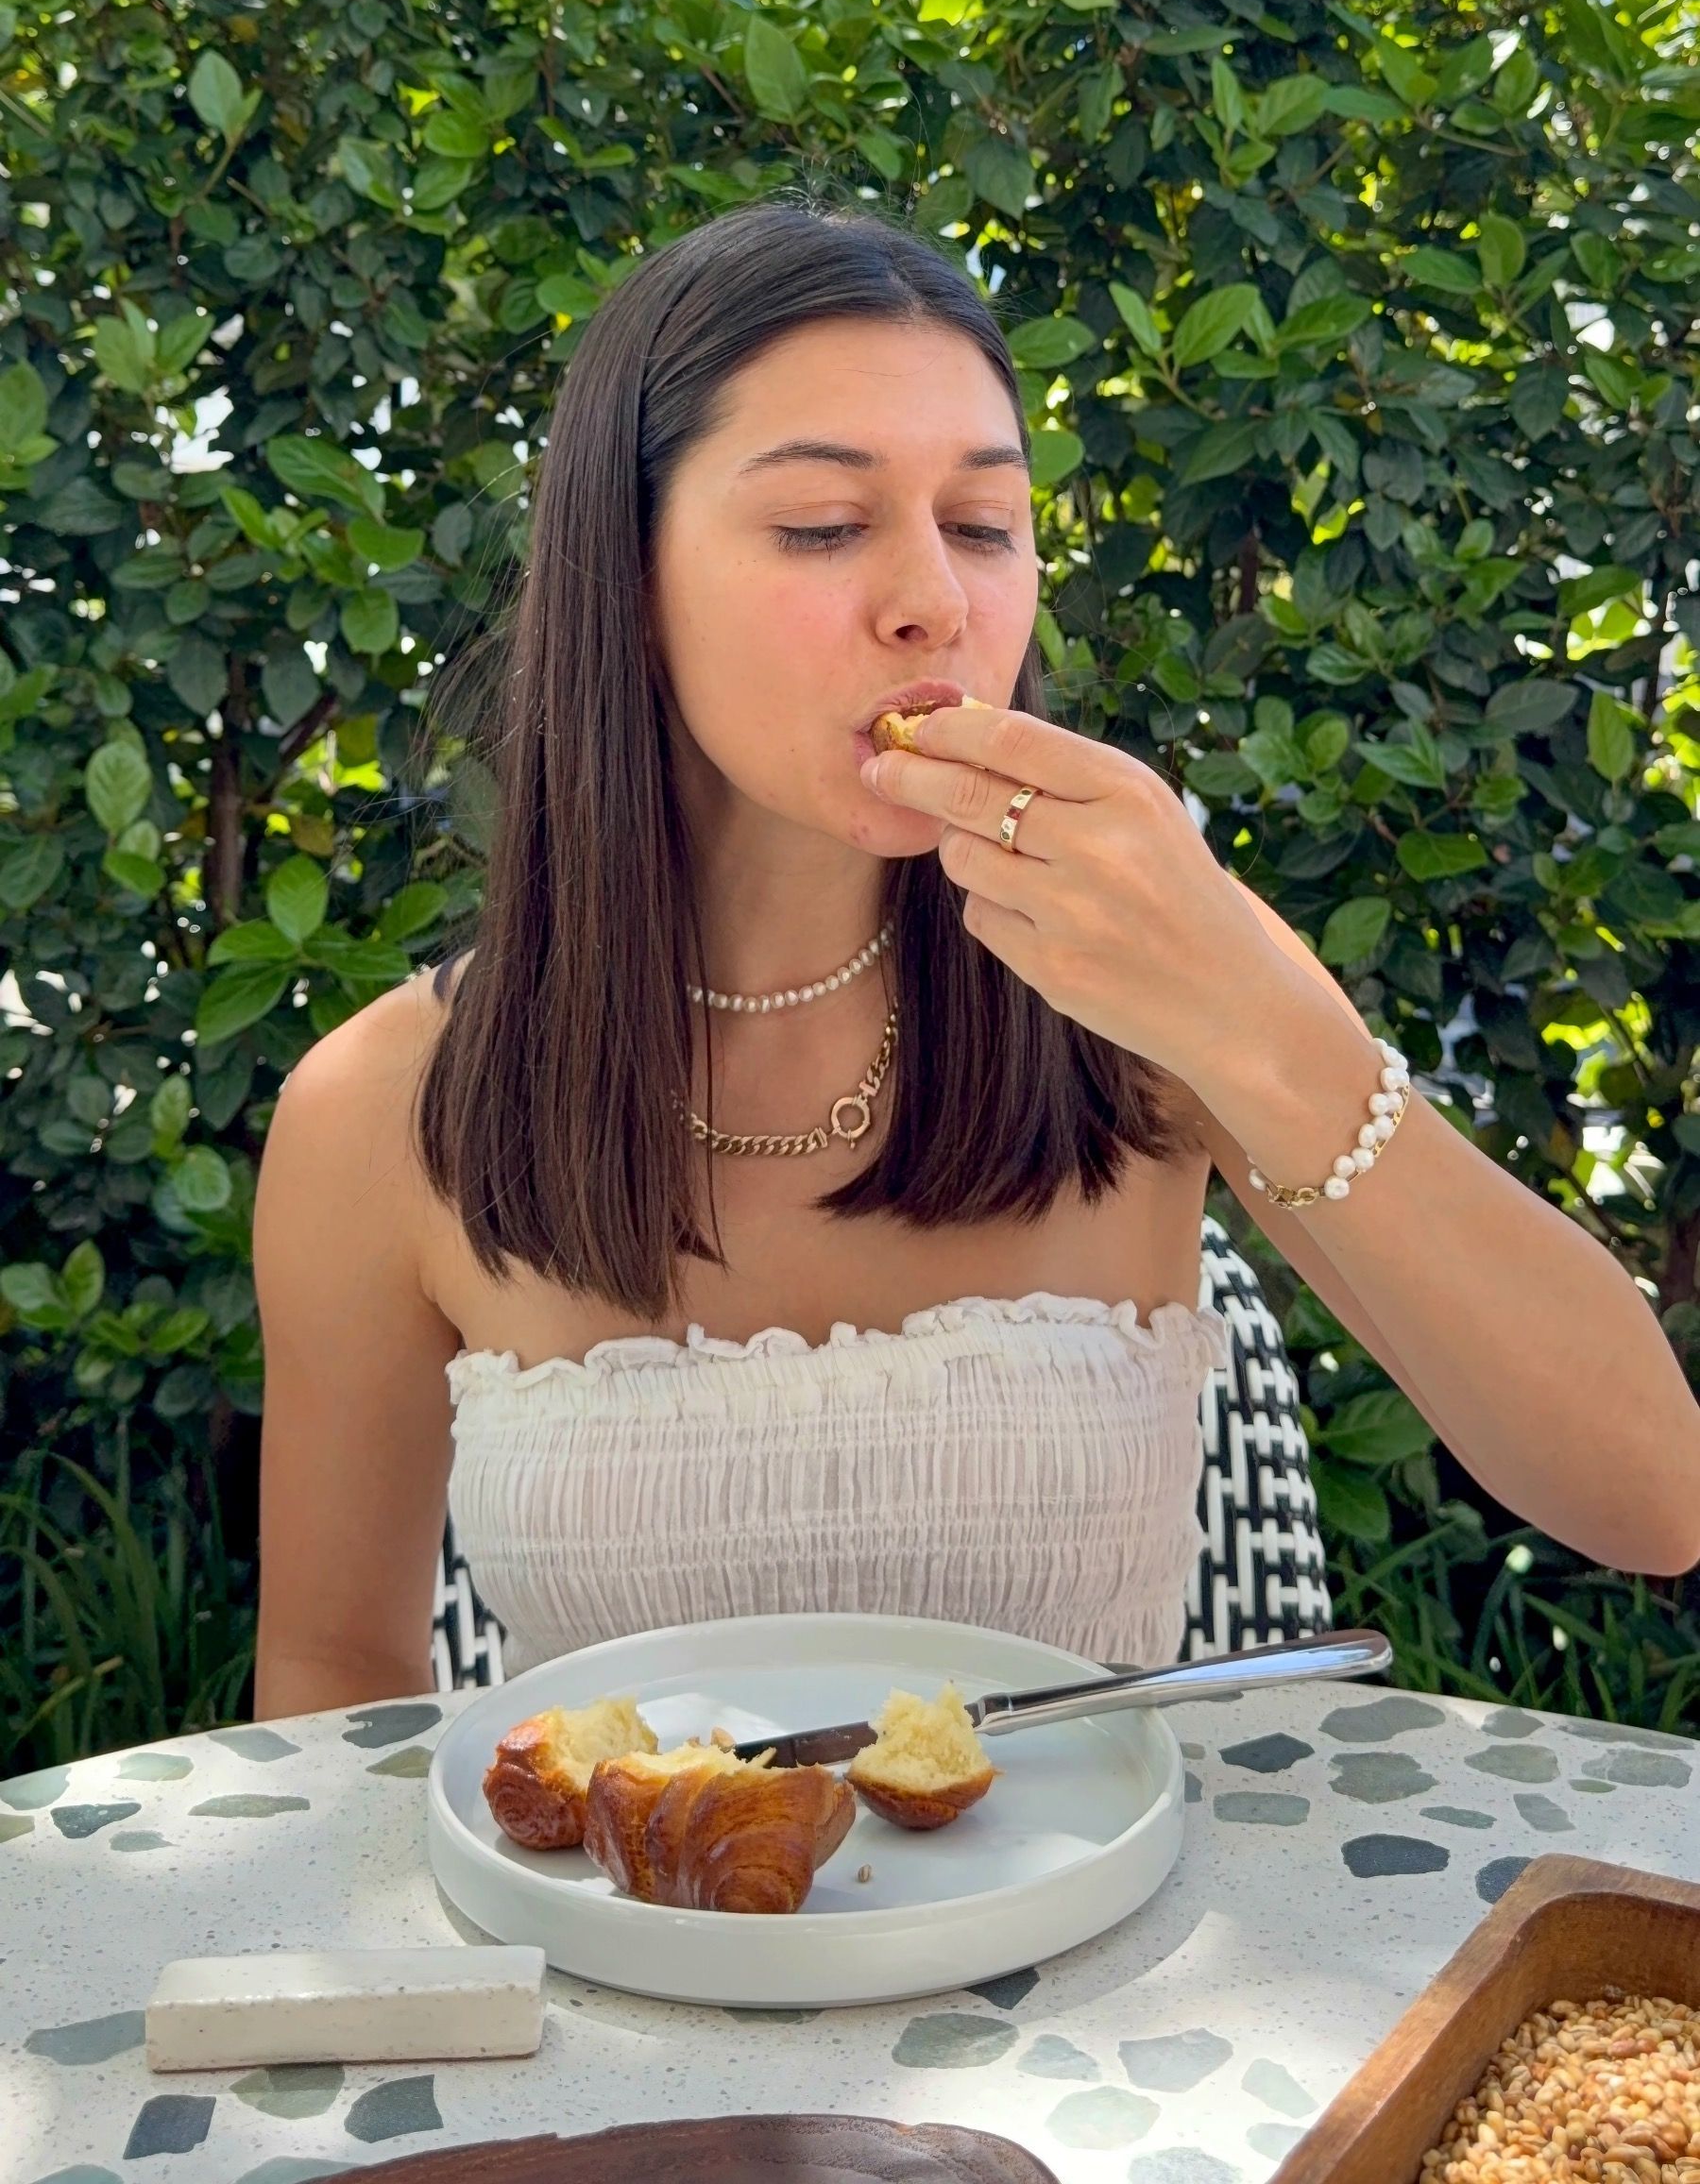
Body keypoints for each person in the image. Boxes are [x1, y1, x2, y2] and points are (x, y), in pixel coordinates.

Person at [251, 196, 1700, 1720]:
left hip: (1115, 1941)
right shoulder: (384, 1109)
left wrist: (1257, 1023)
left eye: (986, 524)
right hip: (614, 1943)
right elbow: (336, 1673)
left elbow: (1650, 1496)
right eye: (823, 525)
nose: (933, 601)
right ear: (627, 575)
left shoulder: (1147, 981)